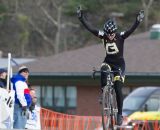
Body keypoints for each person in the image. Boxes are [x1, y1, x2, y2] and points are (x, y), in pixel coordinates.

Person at [77, 7, 144, 125]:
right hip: (108, 61)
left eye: (112, 34)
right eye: (108, 34)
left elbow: (131, 30)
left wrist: (137, 20)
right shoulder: (103, 36)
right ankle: (104, 92)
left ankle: (119, 114)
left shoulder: (121, 36)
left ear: (115, 32)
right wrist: (81, 18)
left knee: (118, 88)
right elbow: (91, 29)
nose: (109, 36)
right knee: (103, 69)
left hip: (119, 65)